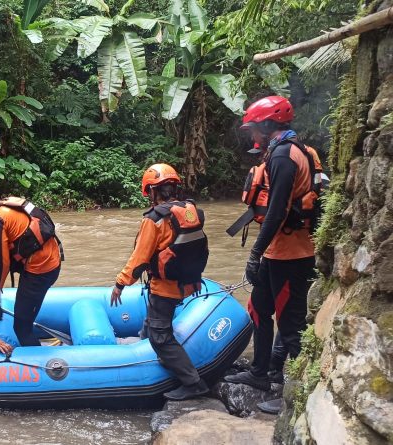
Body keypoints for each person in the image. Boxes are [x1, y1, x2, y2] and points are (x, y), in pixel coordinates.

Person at [224, 96, 318, 413]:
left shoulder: (282, 157)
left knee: (291, 327)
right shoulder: (293, 150)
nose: (252, 137)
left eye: (254, 129)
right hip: (278, 253)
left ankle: (299, 395)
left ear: (268, 125)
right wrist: (262, 256)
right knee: (259, 308)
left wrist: (254, 253)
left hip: (292, 256)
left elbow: (276, 213)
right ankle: (260, 373)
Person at [110, 163, 210, 401]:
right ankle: (152, 349)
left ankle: (194, 383)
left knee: (159, 335)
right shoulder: (191, 210)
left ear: (152, 191)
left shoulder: (154, 219)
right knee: (153, 323)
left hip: (165, 287)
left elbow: (140, 258)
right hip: (189, 282)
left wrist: (120, 283)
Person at [0, 175, 61, 346]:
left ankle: (37, 360)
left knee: (21, 328)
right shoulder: (5, 204)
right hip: (37, 256)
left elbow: (3, 263)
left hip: (41, 270)